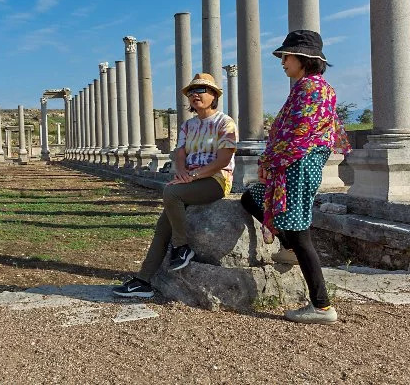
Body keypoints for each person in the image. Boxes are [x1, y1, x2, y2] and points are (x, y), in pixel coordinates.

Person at [240, 30, 350, 325]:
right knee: (251, 198)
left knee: (301, 235)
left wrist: (268, 160)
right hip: (299, 165)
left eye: (286, 56)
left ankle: (322, 305)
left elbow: (297, 135)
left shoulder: (310, 89)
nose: (282, 62)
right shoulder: (315, 87)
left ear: (303, 59)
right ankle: (289, 248)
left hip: (297, 166)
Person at [113, 73, 238, 297]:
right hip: (189, 180)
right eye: (191, 92)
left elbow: (224, 159)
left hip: (216, 180)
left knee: (171, 192)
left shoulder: (225, 122)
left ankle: (182, 247)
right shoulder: (188, 125)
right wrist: (181, 172)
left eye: (201, 90)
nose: (194, 95)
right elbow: (179, 152)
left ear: (214, 95)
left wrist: (195, 175)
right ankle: (143, 281)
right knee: (162, 228)